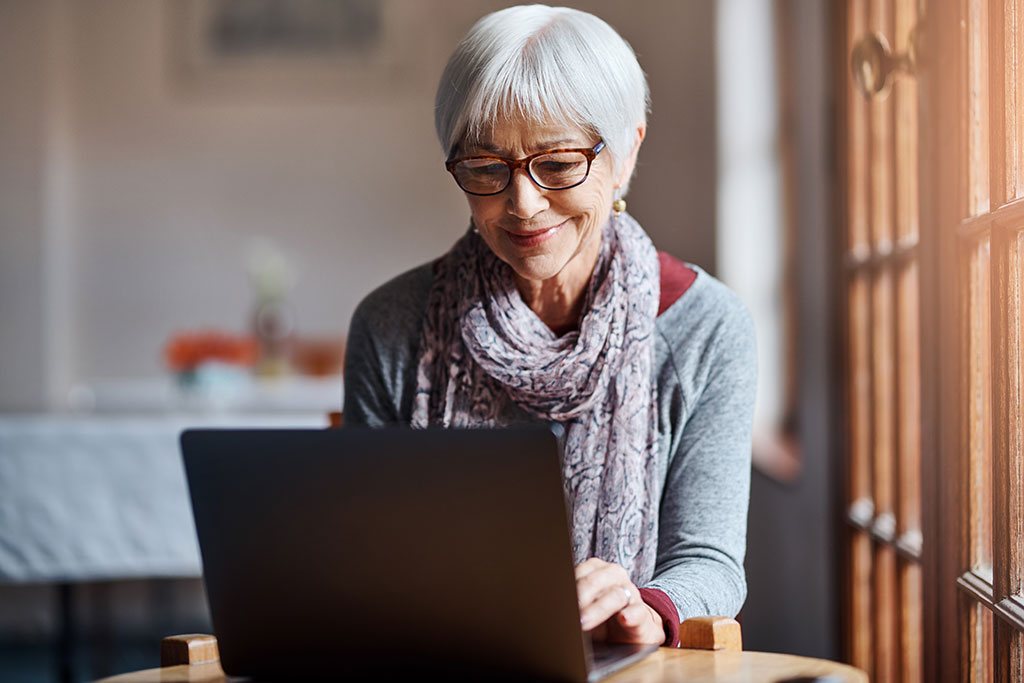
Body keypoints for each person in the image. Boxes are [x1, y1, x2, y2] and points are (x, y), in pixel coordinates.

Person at [343, 5, 756, 648]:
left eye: (559, 164)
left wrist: (647, 607)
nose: (523, 204)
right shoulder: (390, 326)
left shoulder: (707, 326)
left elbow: (710, 560)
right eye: (485, 168)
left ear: (623, 157)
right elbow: (369, 552)